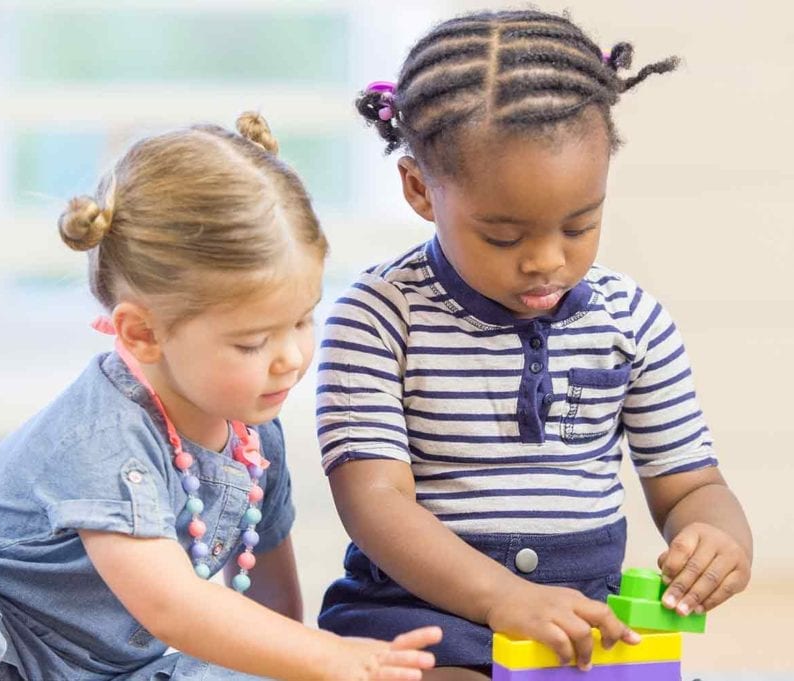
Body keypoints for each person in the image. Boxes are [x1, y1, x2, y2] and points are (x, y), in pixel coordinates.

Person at [0, 113, 441, 681]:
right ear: (142, 333)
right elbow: (172, 608)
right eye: (254, 341)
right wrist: (329, 656)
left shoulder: (256, 433)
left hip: (119, 672)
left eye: (303, 321)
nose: (290, 357)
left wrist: (305, 667)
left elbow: (274, 615)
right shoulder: (106, 431)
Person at [315, 10, 753, 678]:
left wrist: (720, 537)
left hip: (583, 623)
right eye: (503, 236)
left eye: (580, 224)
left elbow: (692, 485)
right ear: (418, 190)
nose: (546, 261)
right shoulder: (377, 316)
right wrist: (502, 597)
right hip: (419, 615)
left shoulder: (633, 319)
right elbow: (373, 502)